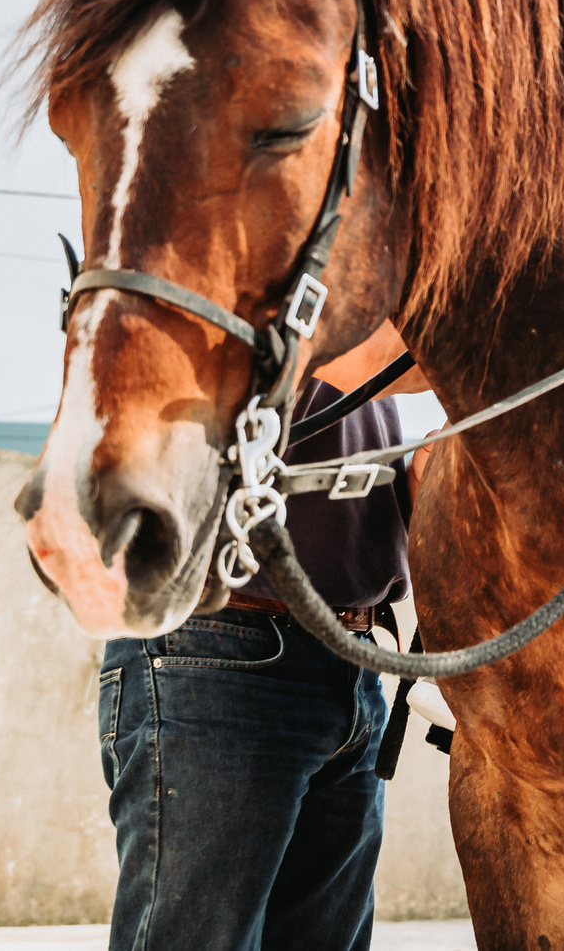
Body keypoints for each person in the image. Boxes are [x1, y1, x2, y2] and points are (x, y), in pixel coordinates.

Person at [98, 324, 438, 951]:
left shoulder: (360, 317)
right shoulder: (283, 301)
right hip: (220, 650)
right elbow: (412, 346)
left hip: (350, 660)